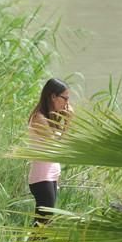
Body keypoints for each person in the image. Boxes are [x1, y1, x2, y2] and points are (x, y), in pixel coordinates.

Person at [28, 78, 72, 229]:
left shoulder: (49, 117)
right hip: (42, 178)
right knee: (43, 222)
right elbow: (55, 147)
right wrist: (68, 123)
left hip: (50, 176)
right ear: (53, 96)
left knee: (46, 221)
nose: (67, 103)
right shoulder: (39, 118)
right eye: (64, 98)